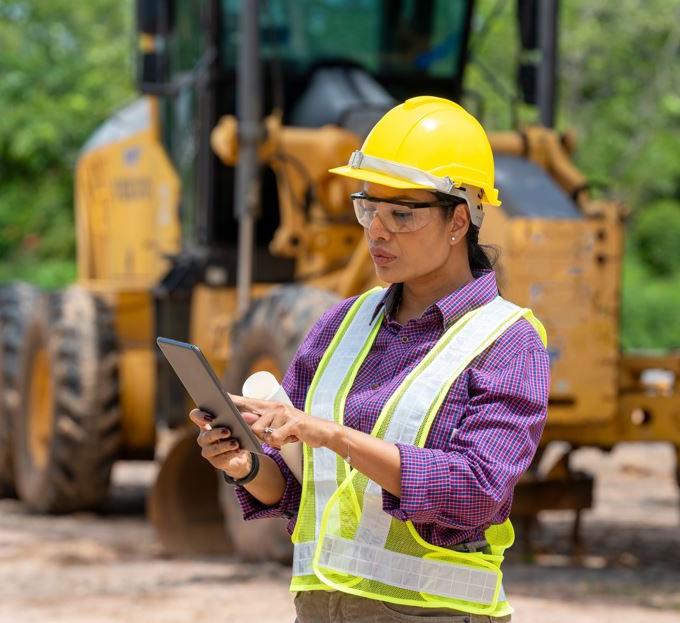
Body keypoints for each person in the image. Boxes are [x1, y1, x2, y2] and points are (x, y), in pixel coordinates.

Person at [190, 96, 550, 622]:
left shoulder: (507, 342)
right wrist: (246, 466)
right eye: (368, 208)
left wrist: (332, 435)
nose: (376, 231)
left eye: (400, 214)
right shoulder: (340, 327)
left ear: (459, 221)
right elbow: (298, 493)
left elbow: (477, 491)